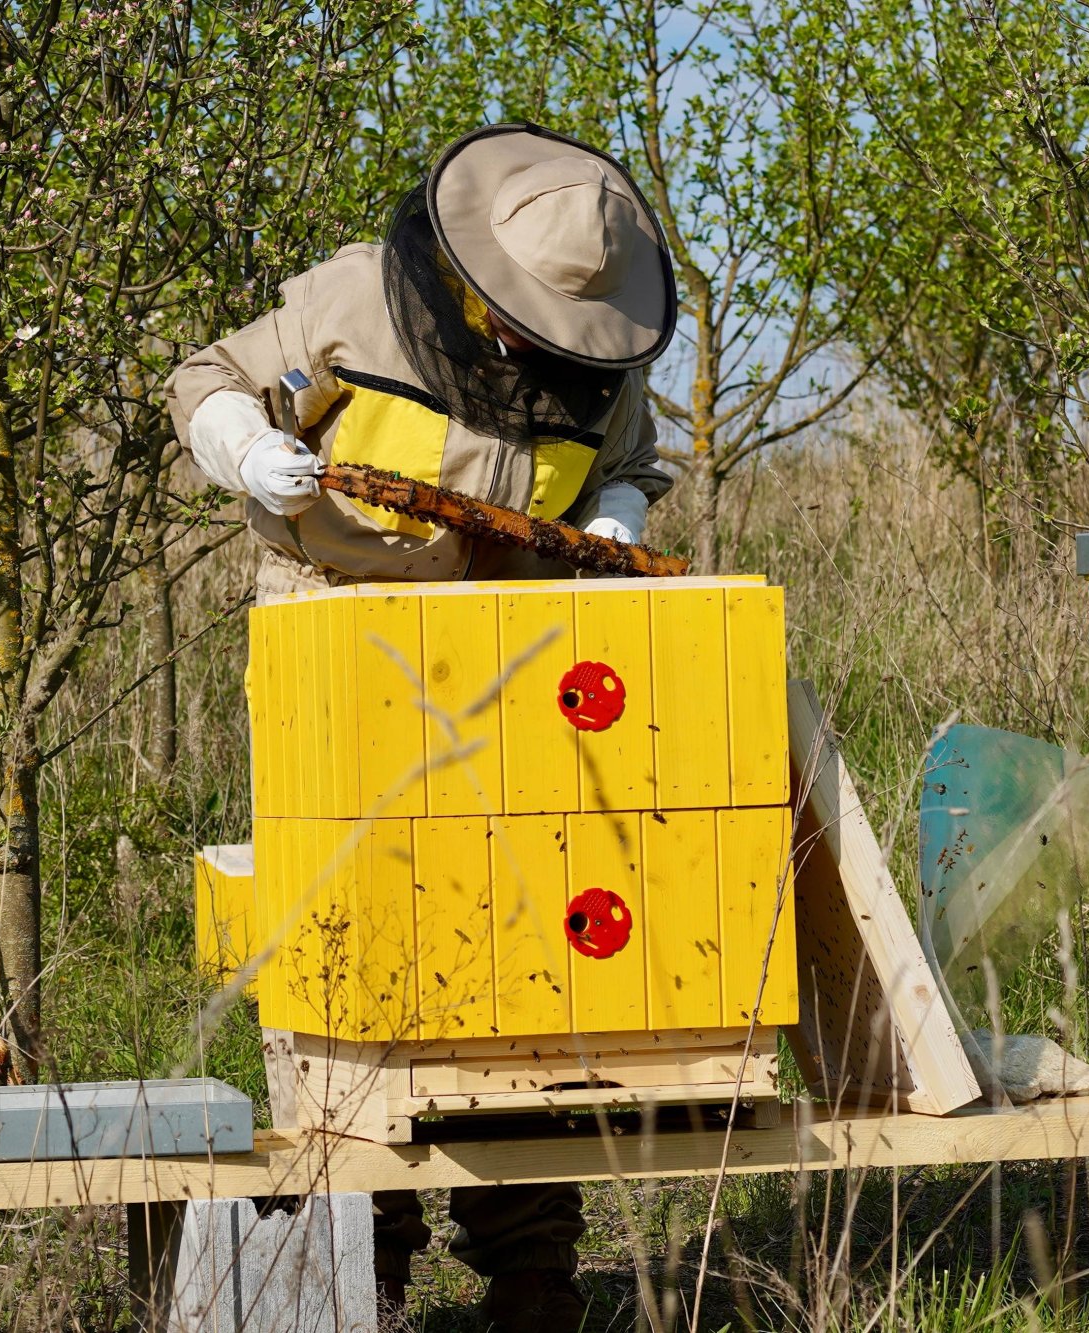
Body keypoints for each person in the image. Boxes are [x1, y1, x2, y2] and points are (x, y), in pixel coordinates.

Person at [164, 123, 678, 1329]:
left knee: (524, 957)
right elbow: (205, 379)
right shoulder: (355, 300)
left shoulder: (604, 359)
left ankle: (532, 1258)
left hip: (516, 663)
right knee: (348, 953)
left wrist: (604, 516)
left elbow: (635, 464)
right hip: (334, 638)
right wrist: (247, 449)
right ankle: (365, 1252)